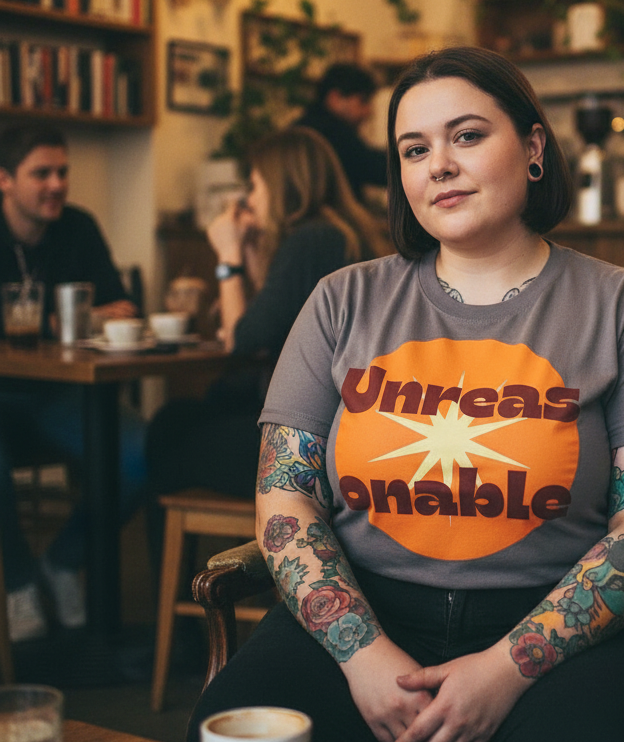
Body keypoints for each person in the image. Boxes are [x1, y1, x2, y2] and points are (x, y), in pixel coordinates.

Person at [188, 48, 624, 742]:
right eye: (414, 149)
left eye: (466, 135)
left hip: (575, 634)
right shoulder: (342, 300)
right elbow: (286, 502)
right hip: (369, 613)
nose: (441, 167)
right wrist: (365, 658)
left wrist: (507, 668)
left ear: (534, 148)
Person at [145, 127, 389, 509]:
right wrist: (251, 251)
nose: (250, 200)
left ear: (282, 185)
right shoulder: (343, 233)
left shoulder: (310, 241)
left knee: (168, 433)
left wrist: (228, 256)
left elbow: (243, 340)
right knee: (187, 413)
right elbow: (271, 319)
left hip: (311, 440)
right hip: (345, 426)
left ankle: (177, 564)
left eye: (255, 186)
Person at [0, 122, 144, 641]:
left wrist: (74, 321)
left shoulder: (77, 226)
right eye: (41, 173)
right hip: (5, 397)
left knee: (140, 454)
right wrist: (64, 323)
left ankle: (62, 563)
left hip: (68, 394)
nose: (57, 184)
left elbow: (126, 306)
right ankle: (17, 584)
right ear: (4, 180)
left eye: (62, 172)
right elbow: (102, 312)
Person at [293, 62, 387, 200]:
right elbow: (377, 168)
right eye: (363, 101)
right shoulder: (331, 132)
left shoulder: (302, 126)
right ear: (335, 98)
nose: (368, 111)